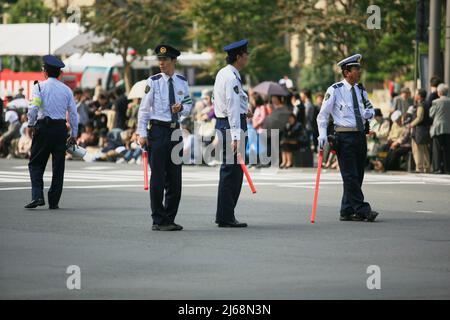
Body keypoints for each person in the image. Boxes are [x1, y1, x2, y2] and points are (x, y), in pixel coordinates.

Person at [316, 53, 379, 222]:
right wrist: (322, 134)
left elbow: (371, 109)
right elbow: (323, 115)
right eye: (355, 69)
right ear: (346, 72)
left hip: (359, 135)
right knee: (349, 175)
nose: (359, 72)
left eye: (359, 68)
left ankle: (347, 209)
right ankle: (362, 209)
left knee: (357, 175)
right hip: (344, 137)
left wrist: (368, 113)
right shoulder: (335, 90)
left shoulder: (361, 89)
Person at [137, 44, 193, 231]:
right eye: (159, 59)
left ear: (173, 61)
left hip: (175, 130)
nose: (161, 63)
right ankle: (158, 219)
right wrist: (142, 133)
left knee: (175, 178)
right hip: (158, 131)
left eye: (165, 60)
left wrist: (181, 108)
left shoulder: (182, 81)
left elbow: (188, 104)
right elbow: (144, 110)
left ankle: (169, 217)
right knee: (158, 177)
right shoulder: (153, 81)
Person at [24, 55, 78, 209]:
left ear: (45, 72)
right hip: (60, 129)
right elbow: (73, 114)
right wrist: (73, 134)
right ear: (59, 73)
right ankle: (54, 201)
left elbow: (33, 107)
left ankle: (37, 196)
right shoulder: (67, 90)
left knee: (35, 164)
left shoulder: (39, 87)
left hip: (43, 128)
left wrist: (31, 123)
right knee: (58, 166)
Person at [213, 39, 252, 228]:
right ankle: (226, 216)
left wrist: (246, 109)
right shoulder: (231, 76)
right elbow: (232, 106)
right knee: (232, 173)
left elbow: (230, 102)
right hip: (231, 125)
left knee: (231, 171)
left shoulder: (225, 73)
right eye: (246, 54)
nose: (247, 57)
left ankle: (225, 214)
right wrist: (236, 136)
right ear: (239, 56)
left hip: (226, 123)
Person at [429, 84, 450, 174]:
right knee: (447, 149)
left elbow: (431, 114)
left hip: (438, 128)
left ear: (440, 92)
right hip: (448, 128)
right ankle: (447, 168)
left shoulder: (436, 102)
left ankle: (437, 168)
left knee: (437, 148)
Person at [409, 89, 431, 173]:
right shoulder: (427, 103)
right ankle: (427, 167)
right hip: (425, 128)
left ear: (419, 96)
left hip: (419, 129)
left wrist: (411, 124)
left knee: (417, 148)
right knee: (425, 149)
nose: (414, 95)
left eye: (416, 94)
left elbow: (419, 117)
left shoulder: (421, 105)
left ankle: (419, 167)